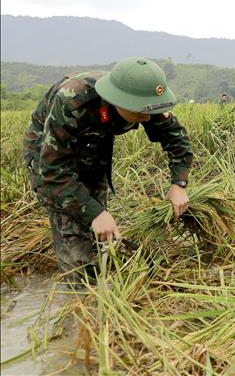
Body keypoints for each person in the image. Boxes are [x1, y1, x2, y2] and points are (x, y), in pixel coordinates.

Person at [22, 57, 193, 284]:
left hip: (94, 147)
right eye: (140, 111)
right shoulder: (72, 102)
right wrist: (94, 213)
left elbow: (177, 140)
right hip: (50, 154)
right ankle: (78, 296)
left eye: (149, 110)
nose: (146, 118)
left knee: (99, 228)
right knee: (77, 240)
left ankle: (100, 270)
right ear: (117, 101)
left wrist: (178, 185)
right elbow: (53, 171)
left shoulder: (146, 102)